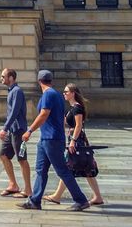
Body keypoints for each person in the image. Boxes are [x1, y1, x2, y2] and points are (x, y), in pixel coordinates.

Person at [19, 70, 89, 212]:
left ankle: (81, 200)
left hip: (52, 139)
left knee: (62, 170)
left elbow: (44, 114)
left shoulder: (48, 94)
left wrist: (29, 130)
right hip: (47, 138)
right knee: (40, 170)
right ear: (51, 80)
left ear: (39, 81)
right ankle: (35, 201)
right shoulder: (57, 94)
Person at [48, 83, 103, 207]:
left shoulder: (77, 108)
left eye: (66, 92)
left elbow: (78, 125)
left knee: (68, 168)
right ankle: (98, 197)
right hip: (76, 139)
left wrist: (73, 140)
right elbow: (67, 123)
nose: (64, 94)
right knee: (87, 169)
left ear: (73, 93)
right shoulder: (72, 108)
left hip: (77, 141)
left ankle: (57, 196)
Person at [0, 68, 31, 199]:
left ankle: (28, 189)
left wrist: (4, 128)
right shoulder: (11, 91)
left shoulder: (17, 91)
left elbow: (15, 112)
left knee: (22, 159)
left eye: (3, 76)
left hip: (18, 130)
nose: (1, 79)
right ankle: (13, 185)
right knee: (3, 155)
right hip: (12, 130)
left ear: (11, 78)